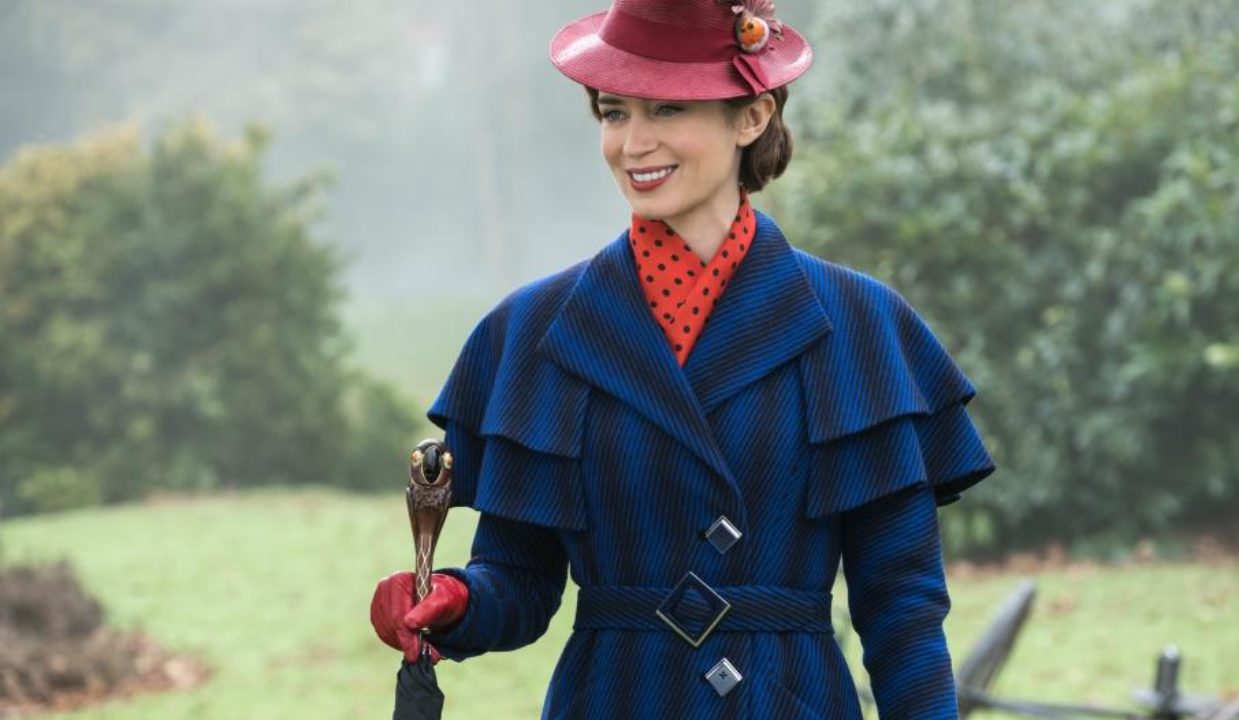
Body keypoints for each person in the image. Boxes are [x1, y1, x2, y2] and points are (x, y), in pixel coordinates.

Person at [370, 0, 996, 717]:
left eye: (667, 109)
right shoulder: (533, 332)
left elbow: (902, 611)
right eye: (614, 112)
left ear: (752, 116)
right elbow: (520, 579)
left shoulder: (862, 329)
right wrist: (454, 599)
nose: (633, 143)